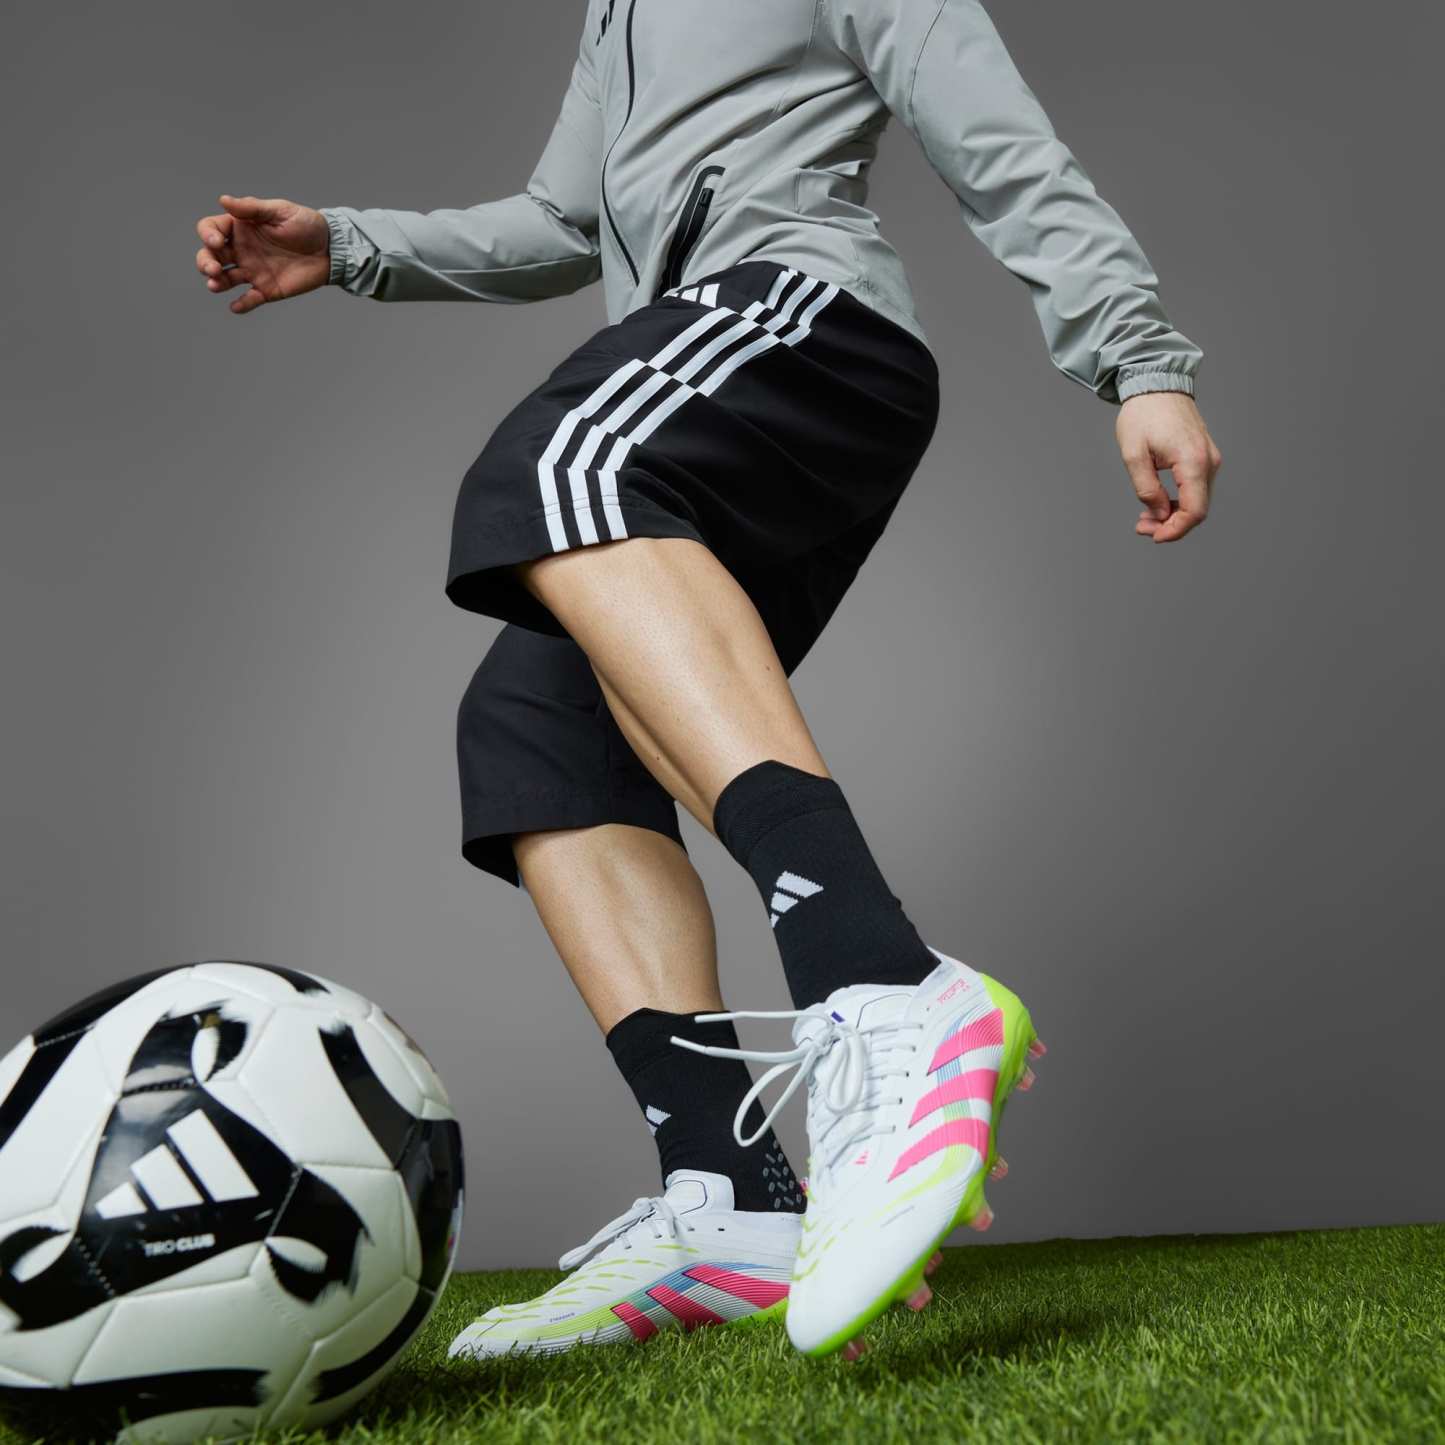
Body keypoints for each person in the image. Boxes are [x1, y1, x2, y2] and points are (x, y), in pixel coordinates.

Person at [194, 0, 1220, 1362]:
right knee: (534, 729)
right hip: (705, 355)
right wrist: (350, 245)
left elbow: (1004, 150)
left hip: (804, 325)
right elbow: (563, 221)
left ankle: (882, 977)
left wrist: (1136, 363)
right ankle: (732, 1197)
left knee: (563, 468)